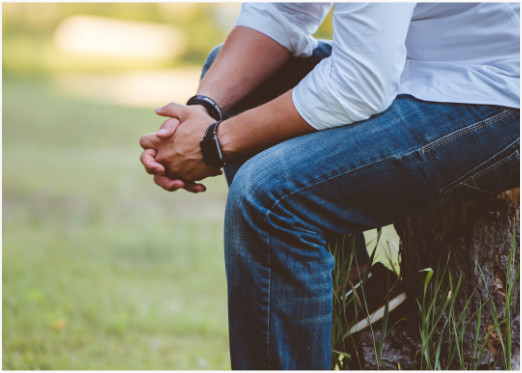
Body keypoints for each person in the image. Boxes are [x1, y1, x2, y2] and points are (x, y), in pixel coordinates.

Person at [139, 3, 520, 370]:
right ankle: (358, 289)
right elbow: (282, 10)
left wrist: (213, 143)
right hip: (420, 69)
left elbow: (360, 83)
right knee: (232, 82)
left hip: (497, 92)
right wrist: (202, 113)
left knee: (270, 198)